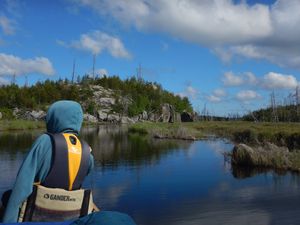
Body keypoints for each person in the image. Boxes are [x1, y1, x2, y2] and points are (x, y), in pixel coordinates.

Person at [1, 100, 95, 223]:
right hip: (70, 216)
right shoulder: (88, 152)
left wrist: (9, 220)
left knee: (7, 196)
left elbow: (22, 186)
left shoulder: (44, 142)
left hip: (37, 214)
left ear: (53, 119)